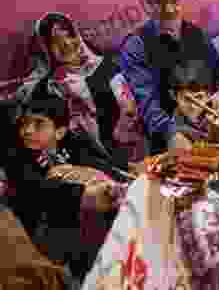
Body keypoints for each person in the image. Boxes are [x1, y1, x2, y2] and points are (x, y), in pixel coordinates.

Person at [2, 84, 127, 281]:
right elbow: (37, 190)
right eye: (24, 124)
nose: (27, 131)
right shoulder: (18, 157)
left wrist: (124, 178)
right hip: (43, 242)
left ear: (60, 132)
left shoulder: (71, 144)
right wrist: (83, 195)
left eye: (38, 124)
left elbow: (98, 165)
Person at [121, 0, 219, 155]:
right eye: (160, 1)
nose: (169, 8)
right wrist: (170, 133)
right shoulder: (137, 44)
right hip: (165, 137)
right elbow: (146, 101)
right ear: (147, 4)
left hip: (208, 128)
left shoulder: (199, 35)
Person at [9, 12, 127, 166]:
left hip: (127, 154)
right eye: (55, 41)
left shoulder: (110, 68)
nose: (66, 43)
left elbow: (131, 113)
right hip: (83, 166)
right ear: (46, 49)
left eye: (69, 35)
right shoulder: (47, 88)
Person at [169, 59, 216, 143]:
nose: (193, 106)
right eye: (187, 99)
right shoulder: (173, 133)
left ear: (209, 95)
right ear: (173, 96)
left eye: (199, 97)